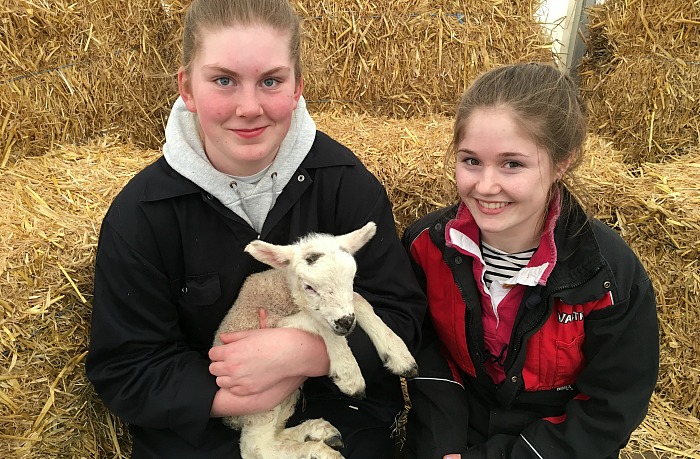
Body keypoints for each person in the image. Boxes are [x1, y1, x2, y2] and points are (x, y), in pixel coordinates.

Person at [85, 0, 426, 457]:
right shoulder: (141, 215)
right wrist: (245, 395)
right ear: (187, 88)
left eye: (271, 81)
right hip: (204, 433)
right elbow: (127, 366)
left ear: (297, 87)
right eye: (223, 80)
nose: (249, 107)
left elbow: (400, 311)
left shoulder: (346, 184)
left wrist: (305, 353)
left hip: (338, 412)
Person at [401, 62, 659, 459]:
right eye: (471, 160)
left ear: (562, 161)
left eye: (512, 164)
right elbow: (427, 352)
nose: (486, 186)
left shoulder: (610, 275)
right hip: (453, 428)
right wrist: (443, 446)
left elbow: (612, 406)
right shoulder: (425, 245)